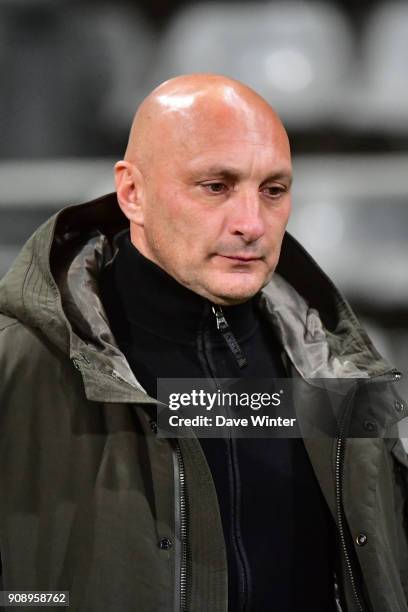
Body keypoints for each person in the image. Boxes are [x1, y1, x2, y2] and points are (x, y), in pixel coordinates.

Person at [0, 74, 406, 612]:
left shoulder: (336, 364)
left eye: (273, 191)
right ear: (132, 193)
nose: (251, 224)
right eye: (215, 186)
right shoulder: (18, 363)